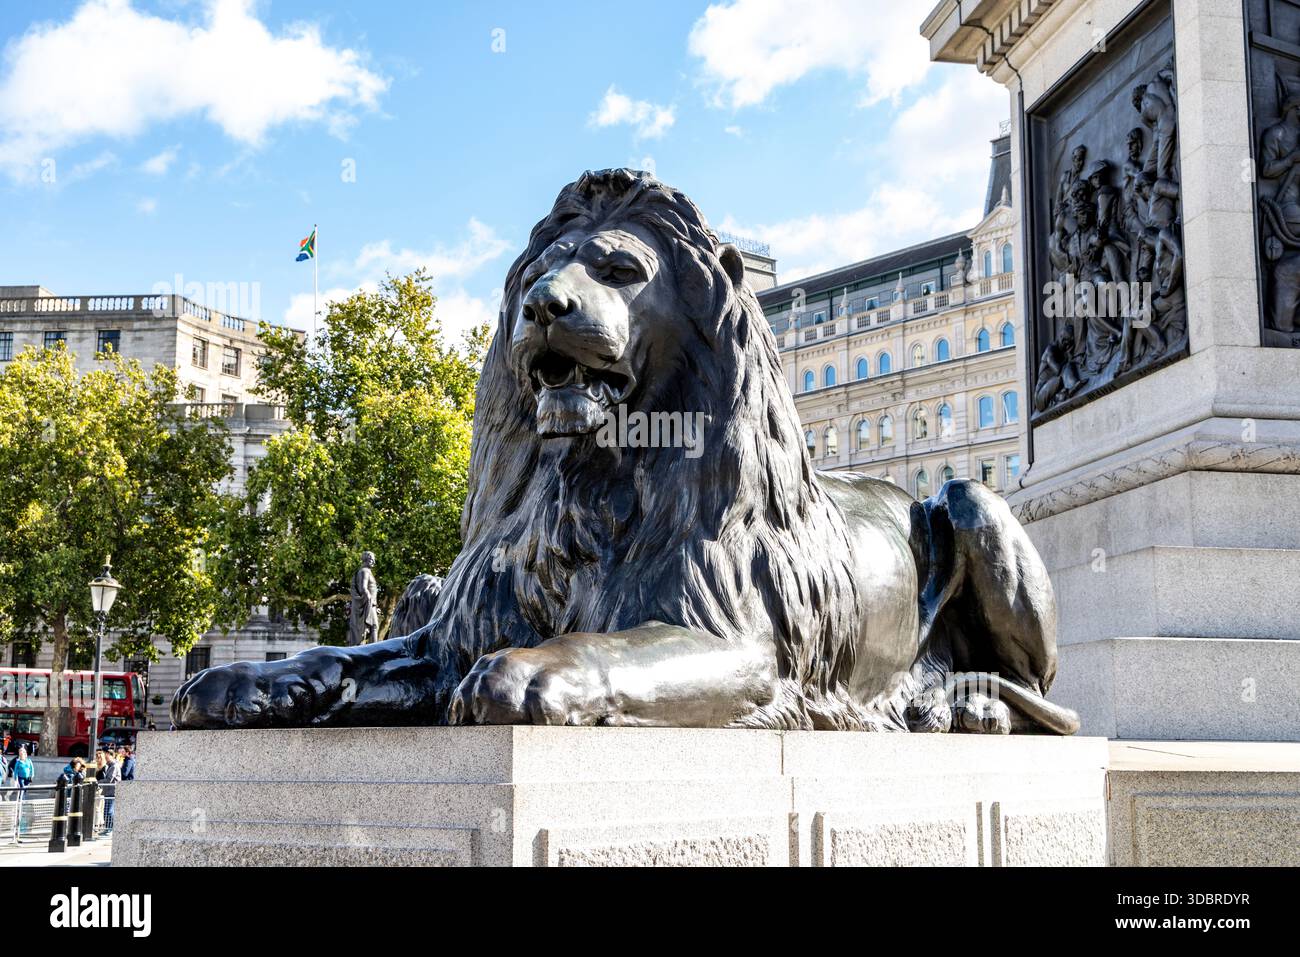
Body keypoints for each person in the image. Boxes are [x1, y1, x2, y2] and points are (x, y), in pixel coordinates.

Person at [96, 750, 121, 833]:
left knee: (109, 811)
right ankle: (108, 828)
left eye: (107, 755)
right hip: (109, 791)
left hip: (112, 791)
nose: (105, 757)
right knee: (107, 810)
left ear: (111, 756)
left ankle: (110, 829)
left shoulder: (114, 766)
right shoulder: (110, 765)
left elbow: (109, 780)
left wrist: (98, 782)